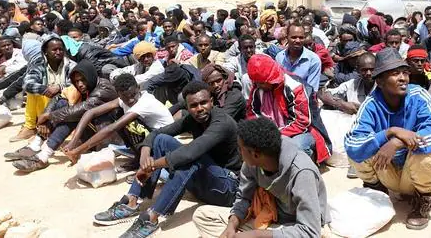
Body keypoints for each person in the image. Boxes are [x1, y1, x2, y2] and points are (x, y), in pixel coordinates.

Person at [92, 81, 241, 238]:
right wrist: (144, 156)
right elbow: (157, 133)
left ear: (211, 101)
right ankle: (132, 200)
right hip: (204, 182)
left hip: (227, 188)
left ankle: (152, 218)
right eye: (194, 105)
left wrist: (152, 166)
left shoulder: (222, 122)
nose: (199, 109)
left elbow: (190, 153)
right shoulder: (192, 119)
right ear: (188, 108)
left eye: (204, 103)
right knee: (162, 139)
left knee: (189, 157)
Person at [345, 47, 431, 230]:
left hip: (413, 176)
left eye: (405, 73)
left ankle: (423, 201)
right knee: (358, 150)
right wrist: (389, 132)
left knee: (425, 150)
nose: (403, 78)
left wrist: (398, 142)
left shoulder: (419, 95)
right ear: (380, 81)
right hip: (386, 172)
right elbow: (352, 143)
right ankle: (377, 190)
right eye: (395, 74)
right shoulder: (371, 104)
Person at [192, 117, 331, 238]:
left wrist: (257, 235)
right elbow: (243, 198)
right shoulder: (251, 164)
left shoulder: (302, 172)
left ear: (256, 154)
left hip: (296, 228)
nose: (239, 152)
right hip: (268, 219)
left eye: (241, 149)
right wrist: (232, 225)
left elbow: (310, 232)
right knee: (202, 215)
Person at [8, 60, 118, 172]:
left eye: (82, 80)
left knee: (74, 113)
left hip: (108, 137)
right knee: (63, 103)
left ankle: (44, 155)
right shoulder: (86, 85)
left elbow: (79, 111)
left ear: (90, 76)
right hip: (92, 130)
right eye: (77, 81)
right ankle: (37, 144)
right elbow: (58, 97)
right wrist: (45, 119)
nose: (80, 84)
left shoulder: (103, 89)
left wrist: (48, 116)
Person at [63, 74, 176, 164]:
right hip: (151, 135)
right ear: (119, 94)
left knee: (128, 122)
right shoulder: (124, 98)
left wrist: (78, 151)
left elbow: (112, 128)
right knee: (116, 113)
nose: (130, 100)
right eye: (125, 97)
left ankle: (144, 159)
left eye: (133, 94)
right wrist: (72, 142)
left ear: (138, 88)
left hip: (165, 140)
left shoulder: (144, 103)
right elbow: (91, 112)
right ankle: (138, 155)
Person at [247, 54, 332, 164]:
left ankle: (306, 167)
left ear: (271, 78)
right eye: (256, 82)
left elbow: (301, 122)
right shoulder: (259, 87)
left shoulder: (295, 87)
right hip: (272, 132)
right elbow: (252, 112)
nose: (258, 85)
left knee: (295, 148)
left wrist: (274, 135)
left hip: (301, 131)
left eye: (262, 83)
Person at [11, 36, 77, 142]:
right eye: (54, 50)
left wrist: (59, 88)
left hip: (67, 102)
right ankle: (30, 127)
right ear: (46, 52)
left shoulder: (71, 65)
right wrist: (45, 89)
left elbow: (77, 84)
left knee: (59, 93)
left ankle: (48, 128)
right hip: (47, 102)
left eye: (60, 49)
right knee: (33, 91)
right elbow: (27, 83)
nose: (58, 52)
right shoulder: (39, 64)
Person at [172, 64, 246, 122]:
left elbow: (221, 119)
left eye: (218, 80)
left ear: (225, 78)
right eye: (211, 83)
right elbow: (182, 104)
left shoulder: (234, 95)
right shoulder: (210, 92)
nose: (216, 85)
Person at [275, 22, 322, 91]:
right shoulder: (279, 57)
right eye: (294, 37)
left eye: (301, 37)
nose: (297, 41)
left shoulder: (313, 60)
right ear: (287, 37)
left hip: (303, 99)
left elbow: (311, 91)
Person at [222, 34, 255, 99]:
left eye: (251, 47)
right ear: (240, 49)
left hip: (262, 88)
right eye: (245, 48)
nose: (249, 50)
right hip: (246, 90)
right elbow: (224, 68)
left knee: (246, 78)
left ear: (255, 47)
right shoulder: (237, 60)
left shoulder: (263, 57)